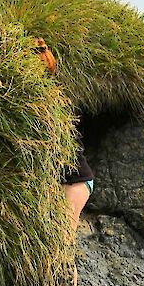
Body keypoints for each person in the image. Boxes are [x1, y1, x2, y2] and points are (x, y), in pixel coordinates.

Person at [34, 37, 94, 227]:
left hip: (77, 180)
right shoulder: (46, 98)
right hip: (63, 179)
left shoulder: (53, 103)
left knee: (63, 234)